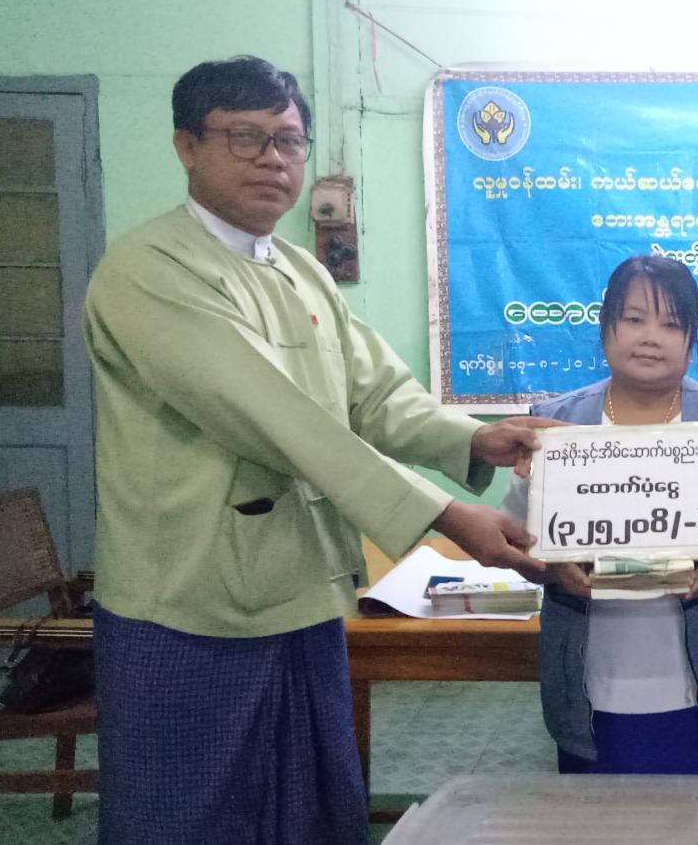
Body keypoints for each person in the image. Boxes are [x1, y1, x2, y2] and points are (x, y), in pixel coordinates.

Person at [83, 56, 558, 844]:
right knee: (185, 817)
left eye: (290, 140)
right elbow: (278, 418)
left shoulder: (300, 270)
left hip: (303, 590)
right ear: (186, 145)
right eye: (246, 137)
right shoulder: (147, 270)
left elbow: (375, 394)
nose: (273, 159)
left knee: (308, 811)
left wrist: (476, 437)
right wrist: (447, 516)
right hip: (190, 607)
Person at [501, 254, 698, 844]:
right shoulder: (554, 425)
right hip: (595, 686)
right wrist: (551, 569)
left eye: (670, 323)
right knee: (606, 831)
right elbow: (515, 541)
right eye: (634, 318)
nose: (650, 337)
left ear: (692, 338)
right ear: (605, 327)